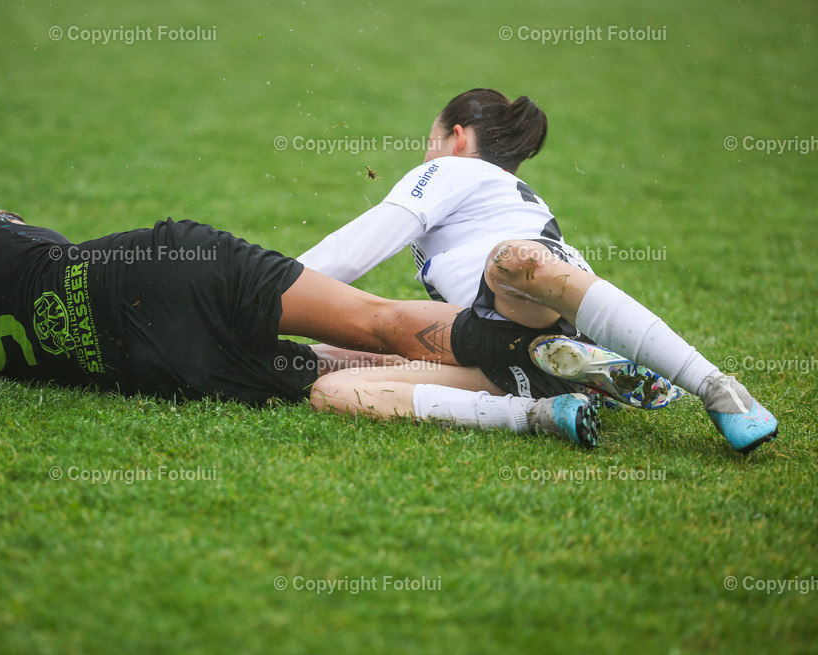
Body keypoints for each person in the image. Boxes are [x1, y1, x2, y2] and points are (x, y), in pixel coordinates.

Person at [0, 0, 602, 448]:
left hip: (171, 367)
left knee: (335, 374)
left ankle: (531, 388)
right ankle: (532, 351)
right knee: (377, 324)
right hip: (177, 270)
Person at [301, 89, 778, 453]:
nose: (428, 153)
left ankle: (716, 388)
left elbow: (354, 250)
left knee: (510, 262)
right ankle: (545, 410)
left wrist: (267, 285)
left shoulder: (453, 169)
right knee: (334, 386)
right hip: (502, 349)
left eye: (433, 140)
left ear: (458, 137)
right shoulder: (508, 191)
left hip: (527, 298)